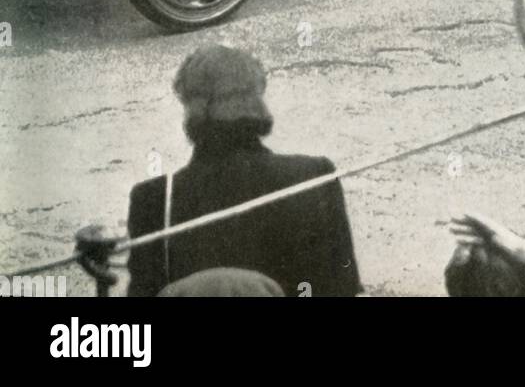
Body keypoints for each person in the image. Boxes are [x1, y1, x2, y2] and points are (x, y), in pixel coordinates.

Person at [126, 45, 361, 297]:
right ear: (258, 99)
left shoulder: (154, 198)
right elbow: (342, 288)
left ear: (189, 107)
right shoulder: (313, 175)